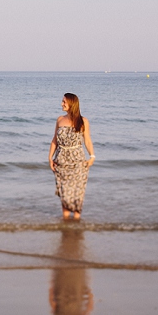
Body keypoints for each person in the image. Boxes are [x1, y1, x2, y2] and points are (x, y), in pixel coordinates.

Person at [48, 93, 95, 221]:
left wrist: (92, 156)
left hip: (78, 161)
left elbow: (88, 141)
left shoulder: (83, 121)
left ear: (72, 104)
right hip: (61, 160)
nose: (62, 104)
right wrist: (50, 158)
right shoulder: (59, 120)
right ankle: (66, 220)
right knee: (64, 192)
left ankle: (77, 220)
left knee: (77, 191)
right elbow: (54, 140)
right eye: (62, 101)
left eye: (64, 102)